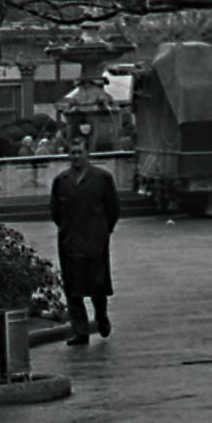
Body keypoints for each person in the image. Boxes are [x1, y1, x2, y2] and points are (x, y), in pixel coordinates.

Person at [50, 135, 122, 342]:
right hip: (70, 240)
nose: (76, 157)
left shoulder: (102, 178)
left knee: (97, 284)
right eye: (72, 153)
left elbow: (113, 208)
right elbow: (56, 211)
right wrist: (66, 230)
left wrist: (104, 231)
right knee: (73, 288)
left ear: (87, 154)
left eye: (79, 152)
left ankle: (101, 316)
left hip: (95, 240)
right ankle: (80, 331)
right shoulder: (61, 181)